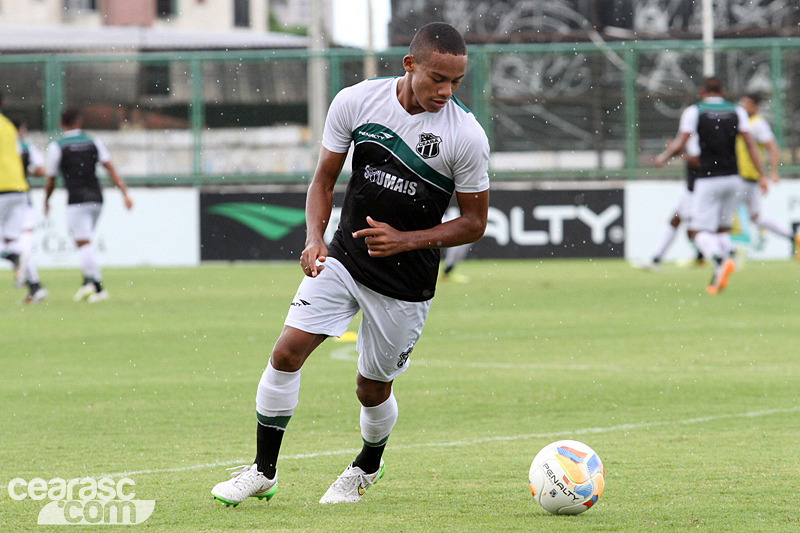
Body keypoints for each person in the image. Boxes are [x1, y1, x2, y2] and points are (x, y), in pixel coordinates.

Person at [211, 22, 490, 506]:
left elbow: (473, 223)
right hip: (343, 258)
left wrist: (406, 240)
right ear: (409, 65)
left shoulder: (465, 136)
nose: (446, 91)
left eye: (456, 82)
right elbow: (323, 180)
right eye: (437, 78)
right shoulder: (356, 102)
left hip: (406, 284)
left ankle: (368, 463)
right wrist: (315, 238)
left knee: (371, 388)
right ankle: (262, 470)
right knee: (286, 353)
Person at [655, 77, 763, 295]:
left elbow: (682, 143)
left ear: (702, 91)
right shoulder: (737, 111)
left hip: (708, 178)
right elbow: (750, 144)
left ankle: (720, 259)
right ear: (723, 91)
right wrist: (762, 175)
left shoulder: (695, 111)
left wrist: (665, 156)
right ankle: (720, 270)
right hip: (734, 178)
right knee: (722, 228)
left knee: (697, 231)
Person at [43, 108, 133, 303]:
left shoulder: (57, 146)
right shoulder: (94, 142)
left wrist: (46, 200)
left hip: (76, 199)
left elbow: (51, 179)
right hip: (97, 198)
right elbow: (111, 169)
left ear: (61, 124)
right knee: (84, 240)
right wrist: (124, 193)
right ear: (79, 121)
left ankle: (98, 288)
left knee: (83, 244)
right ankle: (86, 284)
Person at [734, 93, 799, 259]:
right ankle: (792, 237)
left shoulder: (757, 124)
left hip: (745, 178)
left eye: (747, 103)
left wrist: (772, 172)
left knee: (720, 213)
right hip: (745, 179)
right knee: (756, 218)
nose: (743, 106)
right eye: (742, 103)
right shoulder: (742, 122)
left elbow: (772, 147)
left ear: (755, 107)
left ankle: (723, 253)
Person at [638, 134, 702, 270]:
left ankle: (722, 254)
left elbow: (697, 161)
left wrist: (677, 153)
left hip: (698, 191)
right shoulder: (691, 138)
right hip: (690, 190)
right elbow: (681, 152)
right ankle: (657, 259)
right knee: (676, 220)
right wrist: (671, 153)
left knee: (693, 231)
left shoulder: (701, 137)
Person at [12, 118, 48, 303]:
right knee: (24, 244)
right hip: (23, 197)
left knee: (13, 246)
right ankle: (35, 287)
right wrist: (25, 171)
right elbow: (41, 170)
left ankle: (33, 283)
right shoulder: (26, 148)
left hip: (3, 196)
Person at [0, 94, 30, 291]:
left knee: (10, 245)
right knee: (12, 239)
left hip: (1, 188)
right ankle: (34, 285)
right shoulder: (10, 126)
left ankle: (13, 257)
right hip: (19, 189)